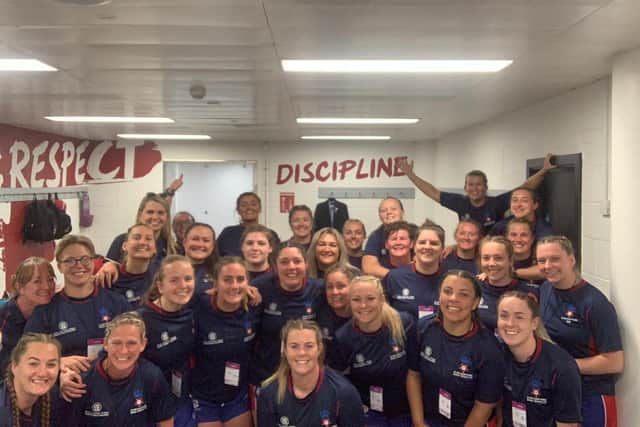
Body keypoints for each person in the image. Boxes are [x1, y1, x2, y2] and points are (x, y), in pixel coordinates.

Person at [537, 236, 624, 427]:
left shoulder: (594, 303)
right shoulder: (545, 289)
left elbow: (615, 362)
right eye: (542, 261)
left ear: (571, 259)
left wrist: (563, 366)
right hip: (559, 391)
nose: (547, 265)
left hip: (591, 396)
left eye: (555, 259)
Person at [406, 269, 504, 427]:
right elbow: (413, 375)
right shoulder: (423, 328)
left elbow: (484, 405)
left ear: (475, 303)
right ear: (439, 295)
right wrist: (418, 422)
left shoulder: (489, 348)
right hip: (428, 420)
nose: (453, 299)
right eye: (447, 291)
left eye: (463, 294)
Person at [25, 235, 130, 370]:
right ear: (60, 267)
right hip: (66, 384)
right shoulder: (45, 311)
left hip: (111, 381)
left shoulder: (117, 303)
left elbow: (134, 345)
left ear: (93, 262)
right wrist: (57, 363)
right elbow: (27, 355)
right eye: (69, 260)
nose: (78, 265)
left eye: (85, 259)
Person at [61, 311, 176, 426]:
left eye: (131, 343)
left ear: (143, 344)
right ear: (105, 344)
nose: (123, 351)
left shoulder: (152, 376)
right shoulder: (82, 380)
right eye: (116, 343)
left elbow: (165, 420)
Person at [398, 154, 556, 235]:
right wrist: (410, 175)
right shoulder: (460, 202)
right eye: (471, 185)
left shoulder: (497, 203)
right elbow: (432, 191)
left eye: (479, 184)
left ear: (486, 187)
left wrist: (543, 171)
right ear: (465, 187)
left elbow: (525, 187)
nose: (475, 188)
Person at [334, 275, 416, 426]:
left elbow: (415, 372)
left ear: (382, 300)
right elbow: (340, 382)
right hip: (369, 414)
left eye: (370, 298)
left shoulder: (404, 324)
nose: (363, 306)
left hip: (405, 412)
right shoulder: (343, 337)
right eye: (356, 299)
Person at [191, 257, 260, 427]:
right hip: (203, 397)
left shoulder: (254, 306)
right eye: (227, 280)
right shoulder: (198, 305)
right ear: (215, 283)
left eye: (240, 279)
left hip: (237, 395)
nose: (235, 286)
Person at [497, 290, 582, 427]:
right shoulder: (499, 354)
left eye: (519, 317)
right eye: (504, 316)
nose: (510, 323)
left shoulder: (561, 367)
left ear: (534, 323)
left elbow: (568, 424)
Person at [257, 319, 364, 427]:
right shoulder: (269, 394)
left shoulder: (343, 393)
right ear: (285, 350)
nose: (302, 352)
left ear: (319, 349)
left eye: (309, 346)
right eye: (294, 346)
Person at [249, 243, 324, 390]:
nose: (291, 267)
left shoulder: (319, 289)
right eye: (284, 262)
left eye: (297, 261)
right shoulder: (260, 287)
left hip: (307, 375)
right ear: (275, 266)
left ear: (306, 264)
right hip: (268, 374)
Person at [138, 255, 196, 427]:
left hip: (181, 398)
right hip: (148, 403)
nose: (183, 286)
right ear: (160, 286)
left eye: (188, 279)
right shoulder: (141, 320)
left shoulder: (192, 312)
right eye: (174, 280)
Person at [0, 258, 56, 375]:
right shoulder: (4, 315)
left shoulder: (55, 308)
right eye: (37, 281)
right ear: (20, 287)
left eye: (50, 279)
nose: (46, 287)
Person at [385, 222, 445, 320]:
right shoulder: (395, 277)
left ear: (442, 248)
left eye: (434, 243)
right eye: (422, 242)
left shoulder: (450, 279)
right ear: (414, 245)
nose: (427, 247)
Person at [477, 236, 537, 333]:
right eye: (486, 258)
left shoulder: (530, 292)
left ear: (510, 261)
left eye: (498, 258)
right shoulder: (473, 287)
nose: (491, 263)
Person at [0, 333, 61, 427]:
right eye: (33, 364)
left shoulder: (54, 397)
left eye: (51, 365)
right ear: (14, 366)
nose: (42, 373)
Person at [106, 193, 177, 271]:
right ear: (140, 214)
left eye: (160, 213)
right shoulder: (121, 240)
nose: (155, 217)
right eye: (150, 212)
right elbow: (106, 272)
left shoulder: (172, 248)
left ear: (167, 217)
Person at [314, 264, 357, 369]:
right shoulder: (319, 311)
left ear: (353, 287)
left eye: (341, 286)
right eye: (330, 287)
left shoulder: (364, 315)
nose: (335, 292)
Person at [362, 197, 416, 278]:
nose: (389, 212)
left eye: (393, 209)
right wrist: (397, 277)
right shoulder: (375, 236)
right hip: (388, 280)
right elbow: (368, 267)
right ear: (379, 216)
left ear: (402, 212)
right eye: (383, 210)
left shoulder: (417, 232)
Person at [217, 192, 279, 257]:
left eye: (253, 204)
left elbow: (276, 259)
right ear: (238, 210)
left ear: (260, 208)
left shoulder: (271, 234)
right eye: (244, 205)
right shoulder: (227, 233)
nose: (249, 208)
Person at [110, 223, 156, 307]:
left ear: (155, 249)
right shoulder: (110, 276)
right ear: (125, 246)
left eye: (148, 239)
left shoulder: (160, 275)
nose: (142, 242)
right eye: (136, 238)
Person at [183, 223, 218, 297]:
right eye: (195, 239)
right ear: (185, 242)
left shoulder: (220, 272)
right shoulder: (169, 268)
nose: (200, 244)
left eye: (206, 240)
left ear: (212, 246)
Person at [506, 218, 544, 284]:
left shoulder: (542, 258)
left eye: (524, 235)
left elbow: (545, 271)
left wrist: (513, 273)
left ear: (532, 239)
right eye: (513, 235)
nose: (518, 240)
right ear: (506, 238)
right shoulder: (501, 259)